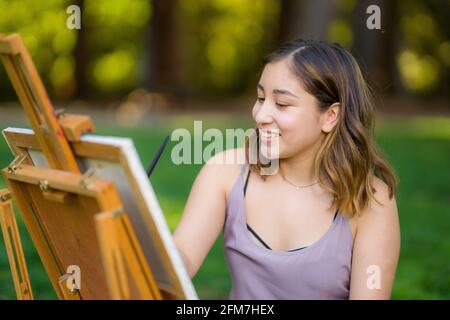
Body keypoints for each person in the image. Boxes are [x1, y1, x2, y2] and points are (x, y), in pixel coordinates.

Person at [173, 39, 400, 299]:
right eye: (260, 98)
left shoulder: (371, 200)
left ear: (330, 116)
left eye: (281, 104)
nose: (260, 115)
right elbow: (179, 261)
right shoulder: (224, 172)